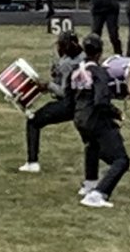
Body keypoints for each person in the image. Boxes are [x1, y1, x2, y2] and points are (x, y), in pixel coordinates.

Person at [68, 34, 130, 208]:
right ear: (100, 53)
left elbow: (70, 94)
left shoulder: (76, 70)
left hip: (79, 117)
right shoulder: (99, 73)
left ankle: (89, 183)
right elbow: (101, 101)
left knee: (92, 147)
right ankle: (99, 194)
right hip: (95, 118)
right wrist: (115, 113)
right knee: (121, 160)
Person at [19, 30, 86, 173]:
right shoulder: (84, 57)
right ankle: (123, 160)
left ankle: (32, 162)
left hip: (69, 104)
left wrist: (48, 85)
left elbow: (63, 91)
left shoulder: (67, 63)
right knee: (95, 137)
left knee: (33, 121)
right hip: (85, 104)